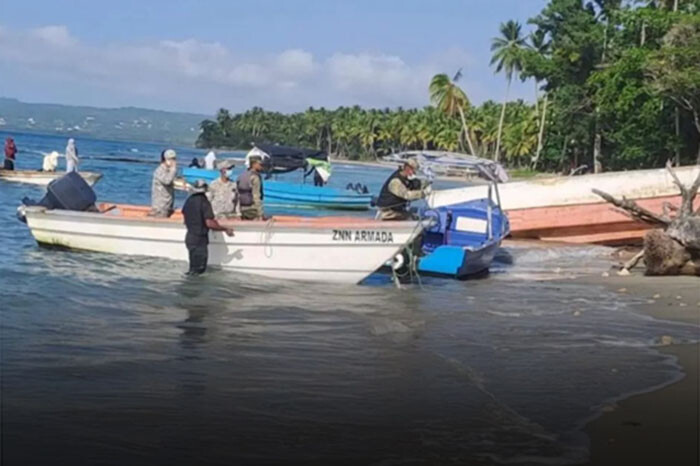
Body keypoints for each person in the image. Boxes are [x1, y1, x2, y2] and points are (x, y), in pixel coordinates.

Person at [182, 180, 234, 275]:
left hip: (190, 237)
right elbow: (209, 223)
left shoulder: (189, 201)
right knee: (199, 271)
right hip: (199, 240)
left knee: (192, 269)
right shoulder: (204, 202)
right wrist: (225, 228)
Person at [150, 149, 178, 217]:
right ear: (165, 159)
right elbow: (167, 181)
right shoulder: (159, 171)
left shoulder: (169, 171)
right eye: (170, 159)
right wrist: (173, 169)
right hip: (160, 207)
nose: (173, 162)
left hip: (167, 206)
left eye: (174, 159)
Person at [237, 155, 265, 220]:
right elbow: (256, 196)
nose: (262, 166)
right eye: (260, 164)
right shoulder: (255, 178)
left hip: (241, 208)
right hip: (252, 209)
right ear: (254, 164)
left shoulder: (241, 176)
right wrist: (260, 213)